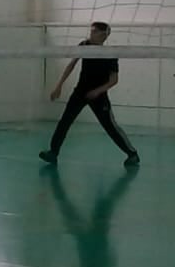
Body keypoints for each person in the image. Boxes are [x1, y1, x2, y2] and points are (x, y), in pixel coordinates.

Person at [39, 21, 140, 167]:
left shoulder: (110, 54)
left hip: (99, 96)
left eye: (94, 31)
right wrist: (59, 86)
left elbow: (114, 80)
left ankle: (132, 154)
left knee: (110, 126)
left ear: (104, 35)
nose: (91, 34)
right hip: (80, 91)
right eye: (91, 31)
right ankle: (53, 153)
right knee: (65, 121)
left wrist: (97, 91)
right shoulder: (84, 45)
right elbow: (71, 65)